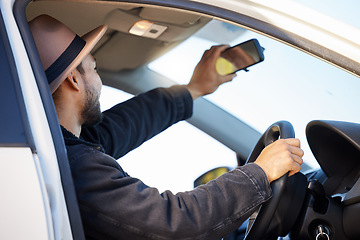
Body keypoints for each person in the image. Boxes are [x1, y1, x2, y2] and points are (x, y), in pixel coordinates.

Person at [29, 14, 304, 240]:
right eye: (95, 68)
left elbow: (130, 122)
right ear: (74, 81)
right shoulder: (75, 164)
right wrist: (261, 172)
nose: (98, 80)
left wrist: (194, 88)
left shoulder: (66, 147)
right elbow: (176, 223)